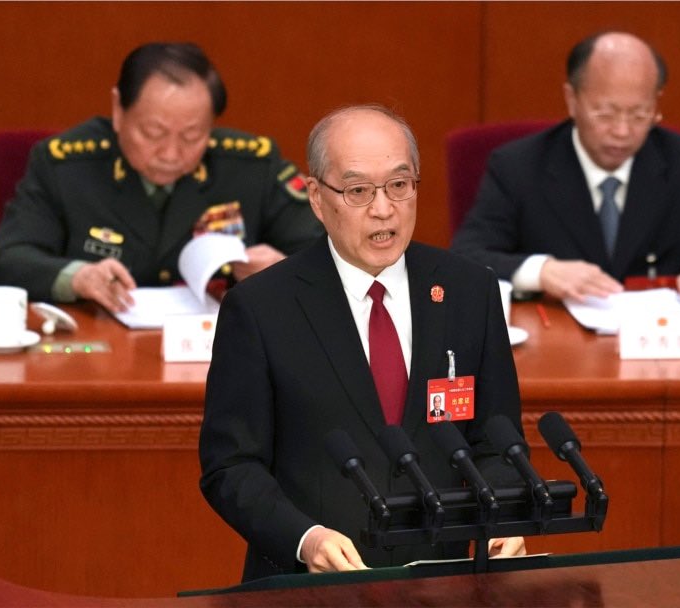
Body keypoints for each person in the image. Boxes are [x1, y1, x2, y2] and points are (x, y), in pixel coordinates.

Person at [199, 105, 526, 581]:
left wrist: (505, 515)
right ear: (317, 198)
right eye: (358, 191)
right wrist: (304, 538)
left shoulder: (469, 291)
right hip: (309, 587)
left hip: (443, 582)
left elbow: (499, 441)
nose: (383, 208)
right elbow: (230, 466)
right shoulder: (260, 307)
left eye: (399, 185)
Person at [451, 31, 680, 317]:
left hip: (657, 345)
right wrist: (542, 271)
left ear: (656, 104)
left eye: (639, 114)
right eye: (605, 114)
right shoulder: (518, 166)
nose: (622, 131)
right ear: (572, 99)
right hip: (557, 341)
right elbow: (466, 256)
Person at [0, 42, 323, 313]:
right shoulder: (65, 167)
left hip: (222, 356)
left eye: (191, 136)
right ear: (118, 110)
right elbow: (7, 262)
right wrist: (79, 278)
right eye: (153, 133)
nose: (171, 154)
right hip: (99, 357)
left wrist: (285, 272)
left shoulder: (252, 167)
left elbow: (332, 255)